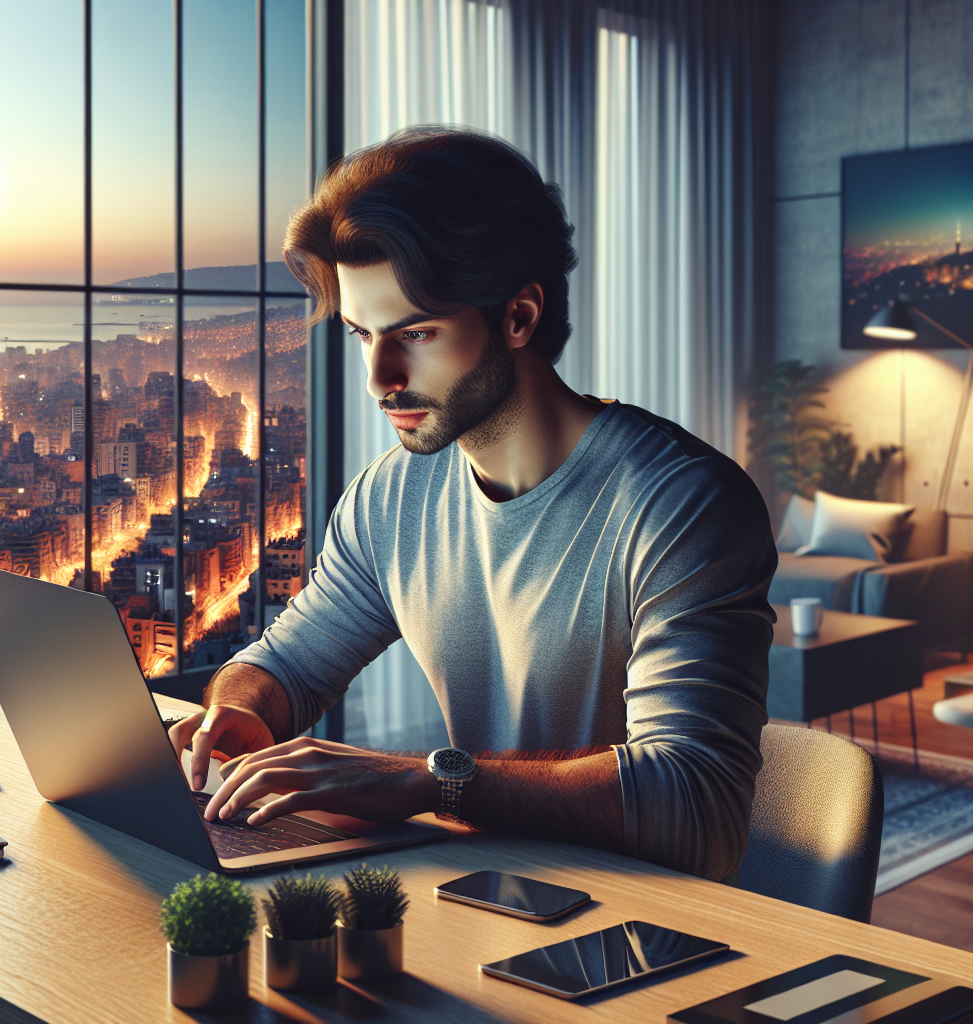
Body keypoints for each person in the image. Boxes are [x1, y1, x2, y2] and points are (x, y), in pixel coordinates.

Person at [169, 126, 776, 881]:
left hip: (651, 931)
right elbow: (284, 663)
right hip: (484, 893)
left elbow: (695, 808)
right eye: (363, 335)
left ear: (518, 317)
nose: (379, 378)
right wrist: (241, 708)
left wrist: (430, 781)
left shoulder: (683, 504)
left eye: (415, 333)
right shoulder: (390, 497)